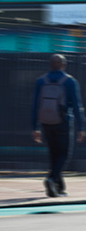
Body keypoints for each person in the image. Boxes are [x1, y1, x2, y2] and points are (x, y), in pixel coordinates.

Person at [30, 54, 85, 197]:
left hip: (46, 122)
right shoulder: (70, 81)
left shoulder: (41, 81)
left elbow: (35, 105)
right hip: (63, 122)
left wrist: (34, 128)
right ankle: (51, 178)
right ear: (63, 65)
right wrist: (81, 128)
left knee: (54, 154)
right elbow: (77, 106)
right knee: (65, 154)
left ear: (50, 65)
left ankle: (58, 188)